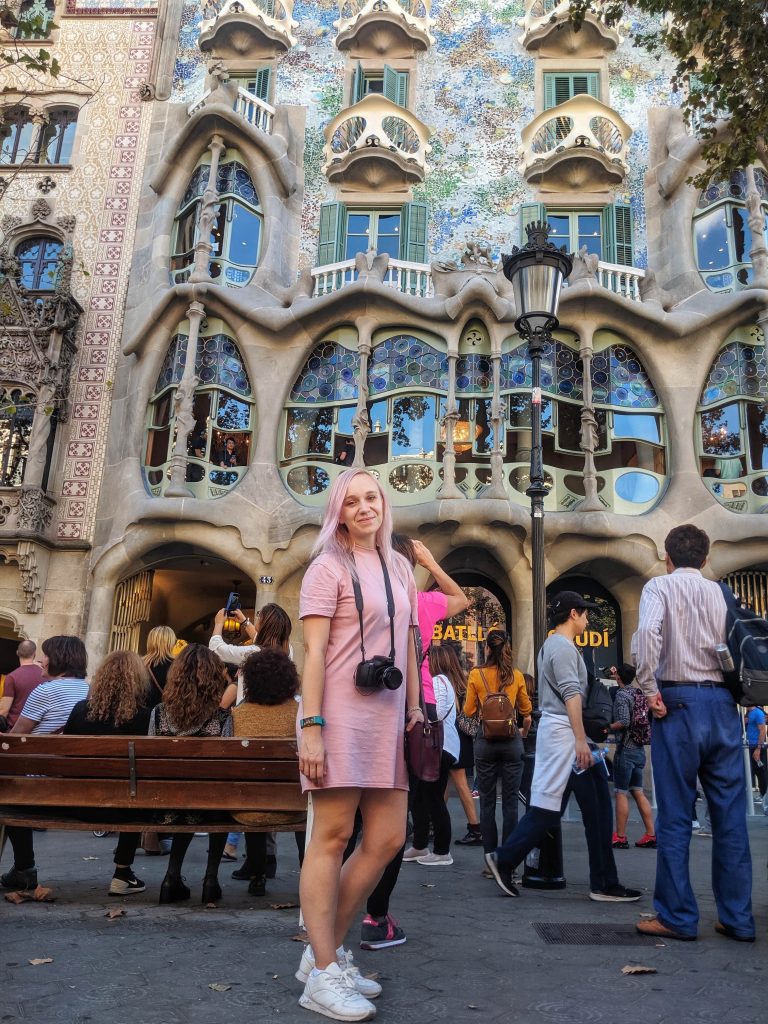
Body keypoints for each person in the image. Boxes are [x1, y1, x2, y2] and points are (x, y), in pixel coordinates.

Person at [295, 468, 422, 1021]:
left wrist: (416, 706)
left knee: (388, 837)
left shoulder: (399, 566)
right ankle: (323, 971)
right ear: (338, 512)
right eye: (352, 501)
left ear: (384, 504)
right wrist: (313, 725)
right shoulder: (326, 567)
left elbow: (410, 641)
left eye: (372, 497)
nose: (365, 507)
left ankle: (322, 951)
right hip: (340, 715)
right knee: (333, 835)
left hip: (388, 719)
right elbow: (315, 654)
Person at [633, 524, 755, 942]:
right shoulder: (721, 592)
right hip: (722, 704)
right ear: (705, 559)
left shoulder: (659, 588)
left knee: (675, 815)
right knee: (730, 817)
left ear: (667, 557)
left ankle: (678, 916)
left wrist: (650, 690)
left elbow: (648, 635)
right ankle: (738, 917)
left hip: (677, 703)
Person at [486, 594, 641, 904]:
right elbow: (571, 695)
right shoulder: (563, 648)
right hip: (567, 737)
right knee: (565, 809)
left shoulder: (552, 647)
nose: (588, 620)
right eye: (586, 614)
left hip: (562, 736)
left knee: (576, 807)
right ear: (573, 613)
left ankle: (602, 880)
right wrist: (581, 740)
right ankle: (601, 882)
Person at [358, 534, 467, 944]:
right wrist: (432, 561)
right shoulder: (423, 603)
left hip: (363, 714)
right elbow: (460, 600)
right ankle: (376, 915)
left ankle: (331, 907)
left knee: (353, 821)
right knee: (392, 822)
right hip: (409, 716)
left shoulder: (365, 598)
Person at [1, 636, 89, 891]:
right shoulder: (88, 689)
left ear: (59, 659)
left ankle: (24, 868)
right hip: (79, 782)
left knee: (9, 788)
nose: (42, 661)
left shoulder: (46, 691)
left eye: (46, 656)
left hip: (41, 784)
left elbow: (15, 738)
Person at [148, 643, 233, 905]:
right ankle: (210, 879)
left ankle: (171, 876)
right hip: (210, 805)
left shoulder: (159, 713)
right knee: (216, 800)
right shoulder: (221, 717)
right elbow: (225, 767)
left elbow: (151, 760)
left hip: (167, 805)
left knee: (185, 798)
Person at [64, 651, 154, 896]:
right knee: (137, 796)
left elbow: (65, 758)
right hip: (126, 807)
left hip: (77, 803)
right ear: (137, 680)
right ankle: (122, 874)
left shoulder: (81, 710)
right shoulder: (144, 716)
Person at [230, 647, 306, 897]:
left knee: (255, 796)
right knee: (300, 804)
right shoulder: (300, 715)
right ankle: (308, 870)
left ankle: (258, 874)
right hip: (295, 807)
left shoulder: (239, 715)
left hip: (249, 810)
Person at [461, 628, 532, 867]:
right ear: (507, 648)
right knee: (511, 802)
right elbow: (526, 711)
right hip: (512, 741)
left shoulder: (475, 674)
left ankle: (490, 862)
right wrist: (523, 730)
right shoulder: (516, 675)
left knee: (487, 801)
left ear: (487, 649)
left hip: (485, 740)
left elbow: (468, 711)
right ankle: (507, 862)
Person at [403, 645, 461, 866]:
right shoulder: (446, 682)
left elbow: (432, 711)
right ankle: (419, 845)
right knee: (421, 796)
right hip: (440, 747)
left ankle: (442, 850)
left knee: (433, 798)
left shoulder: (437, 682)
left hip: (437, 747)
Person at [608, 663, 657, 849]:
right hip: (639, 749)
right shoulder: (638, 693)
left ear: (618, 677)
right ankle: (651, 833)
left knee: (620, 792)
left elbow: (623, 721)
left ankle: (620, 836)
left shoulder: (622, 695)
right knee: (638, 791)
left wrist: (608, 727)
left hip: (626, 748)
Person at [0, 639, 43, 732]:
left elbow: (4, 710)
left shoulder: (12, 677)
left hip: (15, 731)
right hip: (39, 730)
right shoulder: (44, 675)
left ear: (17, 653)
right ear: (34, 654)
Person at [142, 625, 177, 708]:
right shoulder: (178, 665)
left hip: (144, 715)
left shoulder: (139, 664)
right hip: (165, 715)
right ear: (170, 643)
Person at [745, 705, 767, 804]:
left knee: (761, 772)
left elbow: (763, 731)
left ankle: (765, 796)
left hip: (756, 747)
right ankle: (763, 795)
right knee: (755, 771)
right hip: (751, 746)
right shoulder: (750, 713)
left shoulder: (758, 712)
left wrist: (758, 748)